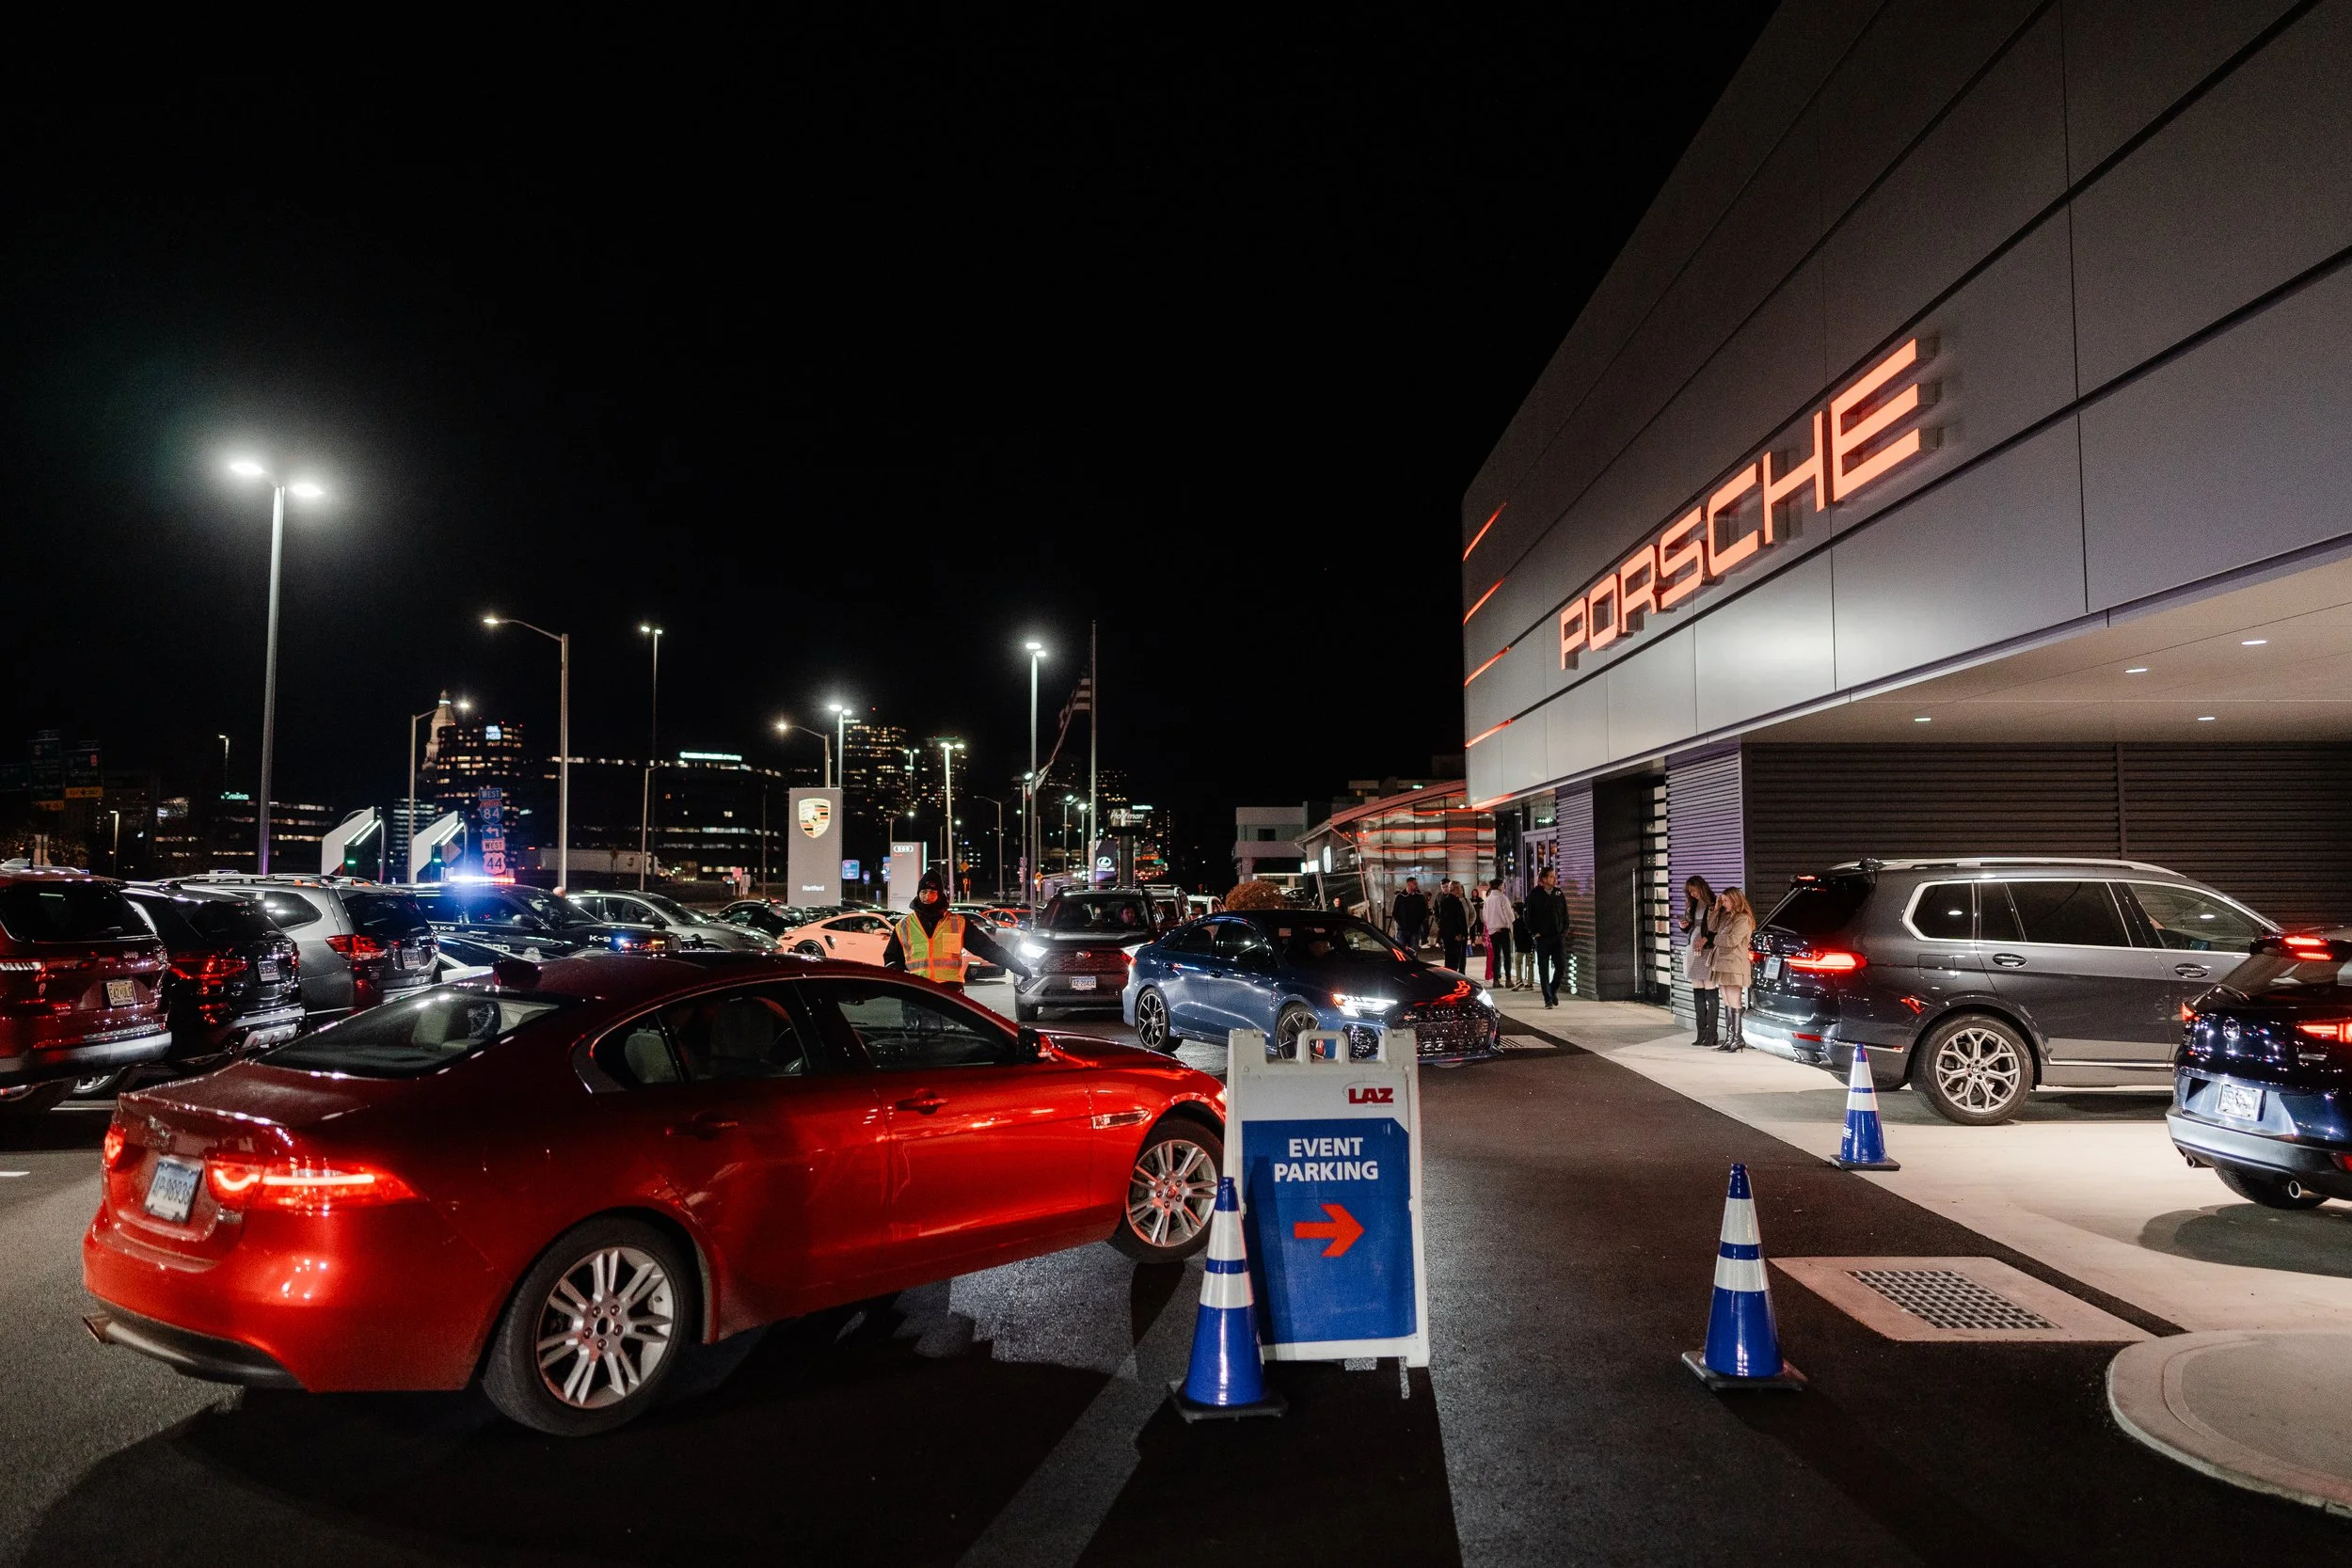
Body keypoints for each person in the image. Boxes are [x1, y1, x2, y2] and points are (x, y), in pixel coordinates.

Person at [882, 870, 1031, 991]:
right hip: (917, 993)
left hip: (950, 994)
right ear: (918, 893)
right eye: (924, 892)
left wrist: (1017, 966)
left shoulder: (958, 923)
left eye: (933, 892)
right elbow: (892, 960)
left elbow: (988, 949)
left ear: (940, 895)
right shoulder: (904, 926)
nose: (927, 896)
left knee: (951, 1030)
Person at [1710, 887, 1756, 1052]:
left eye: (1726, 900)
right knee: (1727, 1000)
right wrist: (1716, 908)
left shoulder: (1743, 919)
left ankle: (1737, 1037)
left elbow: (1732, 940)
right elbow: (1711, 926)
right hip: (1722, 962)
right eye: (1722, 900)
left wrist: (1714, 939)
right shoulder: (1726, 917)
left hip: (1734, 963)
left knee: (1734, 1000)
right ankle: (1731, 1037)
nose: (1724, 903)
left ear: (1735, 900)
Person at [1681, 875, 1720, 1049]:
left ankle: (1712, 1034)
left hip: (1707, 948)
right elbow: (1692, 926)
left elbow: (1716, 928)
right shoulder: (1693, 904)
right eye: (1690, 892)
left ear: (1702, 888)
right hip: (1693, 948)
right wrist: (1684, 927)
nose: (1693, 894)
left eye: (1695, 890)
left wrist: (1705, 939)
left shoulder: (1714, 903)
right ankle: (1701, 1033)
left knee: (1710, 989)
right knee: (1697, 989)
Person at [1525, 867, 1570, 1007]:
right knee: (1543, 970)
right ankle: (1548, 999)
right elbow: (1528, 917)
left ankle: (1552, 988)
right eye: (1551, 877)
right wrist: (1534, 933)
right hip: (1543, 938)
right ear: (1543, 879)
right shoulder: (1534, 895)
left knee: (1561, 967)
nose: (1554, 879)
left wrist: (1564, 932)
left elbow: (1565, 914)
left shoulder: (1558, 893)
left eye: (1554, 876)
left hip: (1558, 937)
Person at [1481, 879, 1515, 987]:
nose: (1504, 887)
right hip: (1503, 930)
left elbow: (1485, 917)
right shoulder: (1503, 898)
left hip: (1492, 931)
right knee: (1507, 955)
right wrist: (1513, 930)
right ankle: (1508, 980)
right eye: (1503, 885)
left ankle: (1496, 980)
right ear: (1499, 886)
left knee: (1496, 956)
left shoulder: (1488, 900)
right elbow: (1509, 915)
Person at [1434, 879, 1470, 973]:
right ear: (1454, 889)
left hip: (1457, 936)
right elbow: (1448, 921)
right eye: (1460, 888)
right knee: (1452, 961)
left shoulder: (1456, 901)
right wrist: (1457, 933)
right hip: (1452, 937)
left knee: (1457, 959)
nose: (1462, 890)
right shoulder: (1448, 902)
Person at [1391, 878, 1430, 955]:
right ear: (1409, 884)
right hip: (1402, 929)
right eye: (1414, 884)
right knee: (1400, 951)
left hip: (1415, 929)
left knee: (1413, 951)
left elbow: (1424, 912)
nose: (1416, 886)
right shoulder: (1400, 897)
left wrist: (1419, 923)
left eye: (1416, 884)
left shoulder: (1419, 897)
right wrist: (1400, 923)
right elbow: (1395, 912)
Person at [1510, 894, 1534, 989]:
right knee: (1530, 964)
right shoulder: (1528, 921)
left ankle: (1519, 980)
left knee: (1518, 963)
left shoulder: (1516, 923)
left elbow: (1515, 936)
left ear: (1516, 912)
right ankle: (1530, 983)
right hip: (1529, 946)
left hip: (1520, 947)